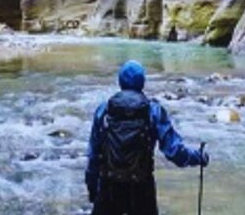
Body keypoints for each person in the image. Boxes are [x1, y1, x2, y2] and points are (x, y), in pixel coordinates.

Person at [85, 60, 209, 215]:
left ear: (120, 82)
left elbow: (93, 156)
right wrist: (198, 157)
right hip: (141, 188)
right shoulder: (153, 110)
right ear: (142, 83)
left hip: (108, 186)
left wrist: (92, 189)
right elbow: (174, 152)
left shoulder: (104, 110)